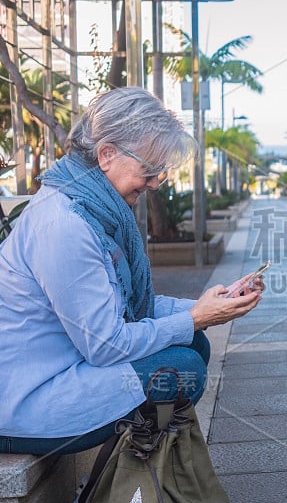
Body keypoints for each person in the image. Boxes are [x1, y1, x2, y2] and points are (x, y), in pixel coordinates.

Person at [0, 87, 263, 455]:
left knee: (191, 344)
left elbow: (121, 306)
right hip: (26, 401)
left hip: (61, 370)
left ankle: (135, 484)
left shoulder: (90, 206)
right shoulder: (65, 226)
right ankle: (130, 492)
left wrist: (202, 307)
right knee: (180, 368)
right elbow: (106, 345)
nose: (155, 183)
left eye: (161, 173)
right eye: (149, 169)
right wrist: (194, 318)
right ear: (107, 154)